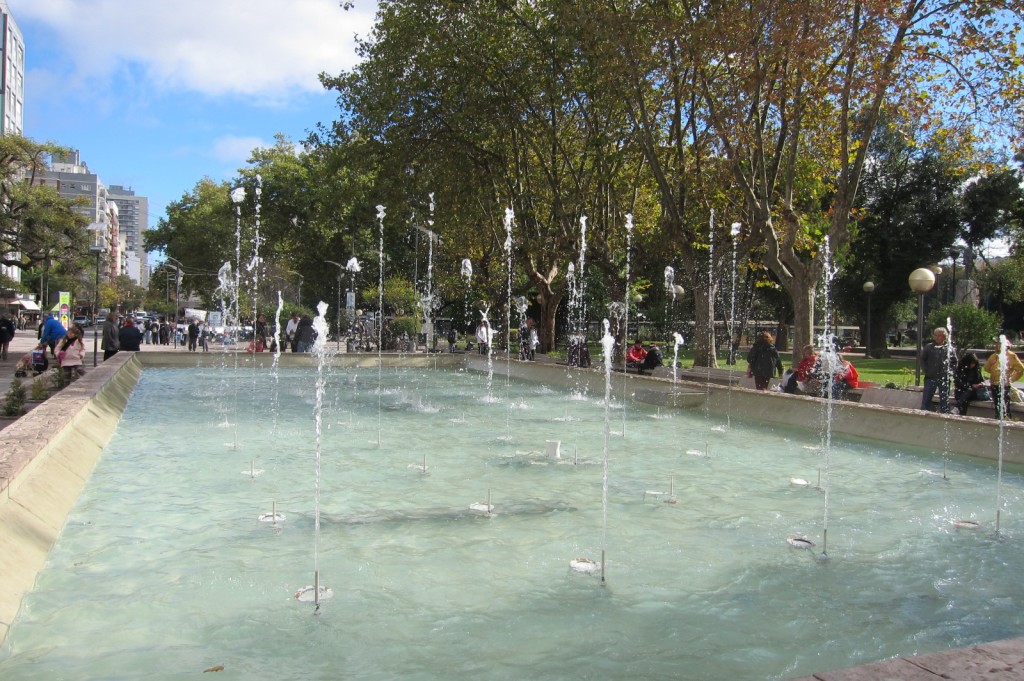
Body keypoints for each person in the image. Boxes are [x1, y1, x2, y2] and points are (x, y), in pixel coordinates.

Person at [919, 327, 954, 412]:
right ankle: (923, 415)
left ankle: (944, 415)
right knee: (926, 401)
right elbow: (922, 359)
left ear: (944, 337)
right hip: (930, 377)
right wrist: (926, 370)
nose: (937, 337)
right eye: (935, 335)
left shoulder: (949, 348)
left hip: (944, 378)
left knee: (944, 401)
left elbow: (954, 362)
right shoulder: (929, 347)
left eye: (939, 336)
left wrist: (950, 372)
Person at [983, 347, 1024, 419]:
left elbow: (1021, 368)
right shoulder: (994, 356)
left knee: (1004, 403)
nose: (996, 347)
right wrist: (992, 365)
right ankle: (998, 419)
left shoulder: (1011, 356)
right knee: (997, 403)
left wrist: (1011, 379)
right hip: (994, 383)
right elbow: (986, 368)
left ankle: (1006, 419)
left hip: (1005, 384)